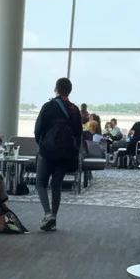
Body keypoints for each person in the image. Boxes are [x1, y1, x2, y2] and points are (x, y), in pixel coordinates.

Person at [34, 77, 83, 231]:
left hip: (47, 152)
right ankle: (53, 219)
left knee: (40, 183)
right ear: (70, 90)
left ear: (55, 88)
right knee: (57, 186)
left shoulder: (48, 106)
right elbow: (79, 133)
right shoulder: (74, 110)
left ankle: (47, 213)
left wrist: (42, 144)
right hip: (65, 153)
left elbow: (38, 129)